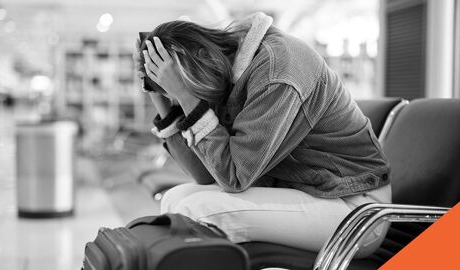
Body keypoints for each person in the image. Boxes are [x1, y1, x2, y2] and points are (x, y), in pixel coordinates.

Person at [133, 12, 391, 257]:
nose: (180, 98)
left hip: (355, 209)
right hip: (305, 191)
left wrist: (187, 97)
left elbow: (233, 178)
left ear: (201, 55)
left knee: (197, 210)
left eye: (180, 88)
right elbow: (204, 174)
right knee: (175, 197)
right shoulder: (222, 72)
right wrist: (160, 96)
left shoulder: (277, 70)